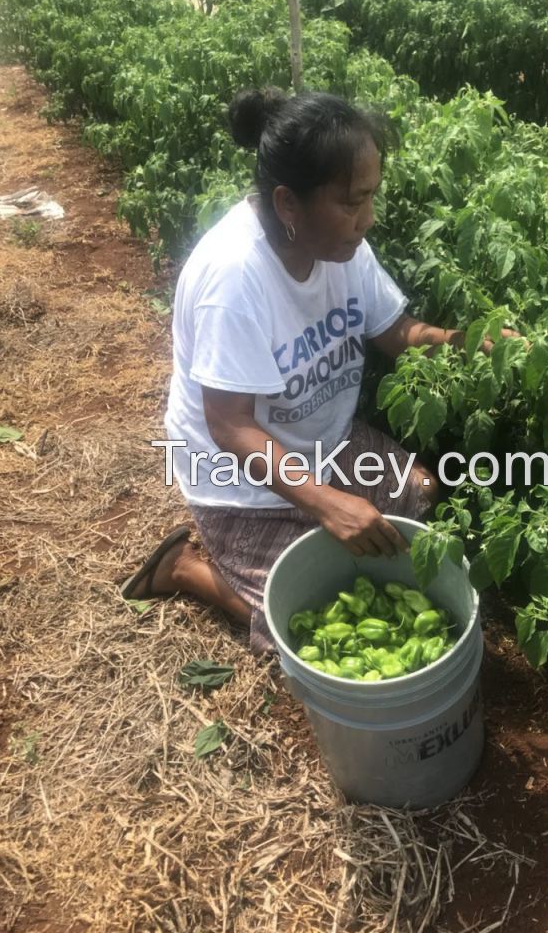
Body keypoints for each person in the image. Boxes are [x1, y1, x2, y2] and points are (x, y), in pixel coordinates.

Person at [120, 87, 517, 654]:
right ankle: (184, 569)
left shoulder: (341, 246)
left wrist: (471, 343)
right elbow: (230, 427)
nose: (368, 219)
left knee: (423, 495)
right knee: (314, 621)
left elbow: (395, 331)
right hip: (239, 480)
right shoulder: (233, 280)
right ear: (288, 205)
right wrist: (326, 501)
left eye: (370, 198)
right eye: (353, 202)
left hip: (322, 440)